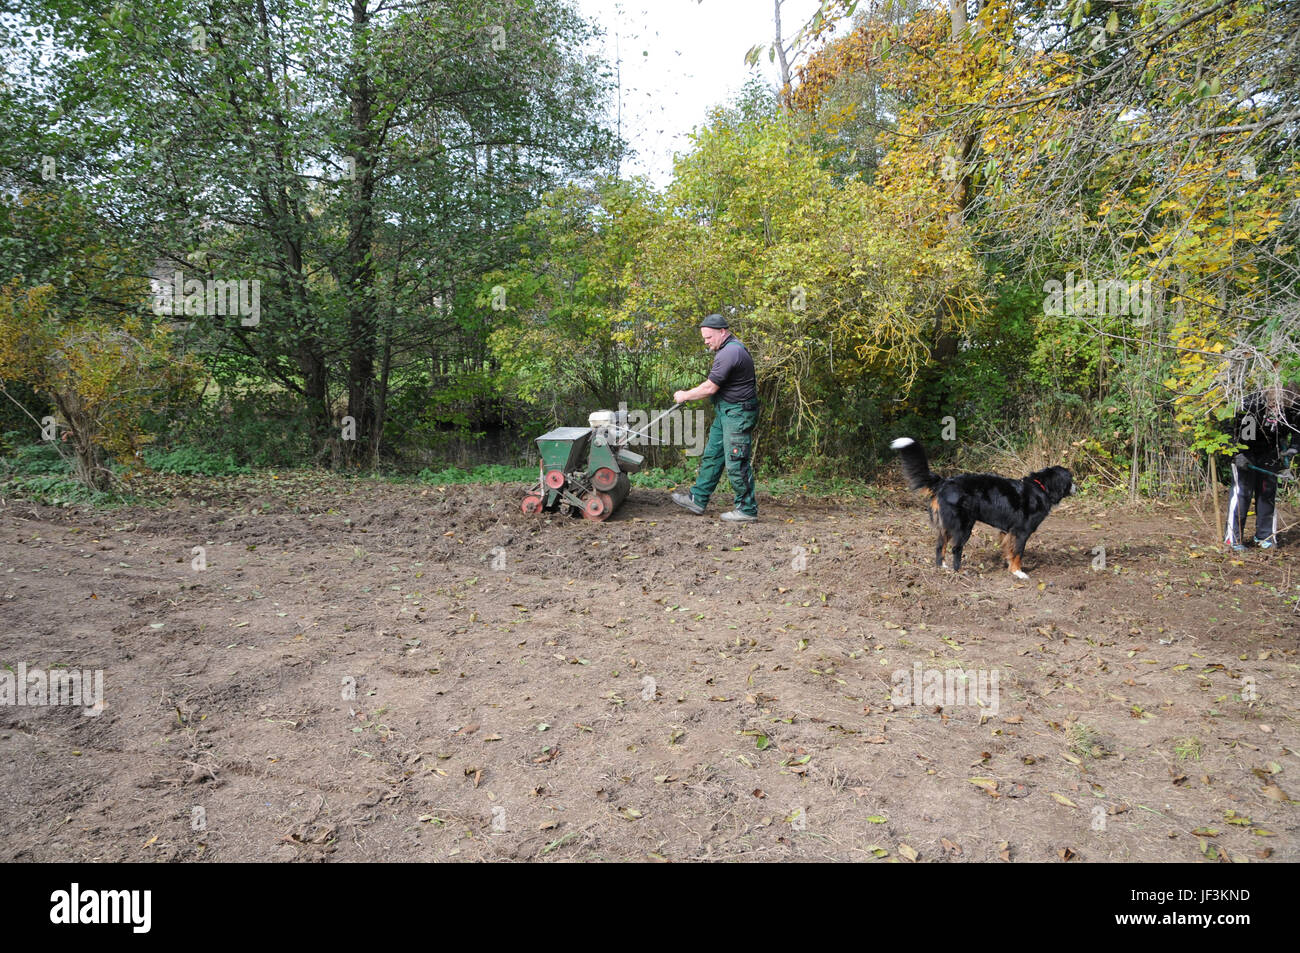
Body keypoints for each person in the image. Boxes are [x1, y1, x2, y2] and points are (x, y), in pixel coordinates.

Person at [670, 313, 760, 521]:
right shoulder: (727, 350)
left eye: (709, 337)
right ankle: (697, 499)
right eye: (704, 338)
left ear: (722, 331)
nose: (706, 342)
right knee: (712, 455)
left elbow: (710, 387)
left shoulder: (731, 353)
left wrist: (685, 395)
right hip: (726, 412)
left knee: (736, 460)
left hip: (738, 414)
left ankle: (747, 509)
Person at [1225, 384, 1299, 551]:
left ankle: (1265, 536)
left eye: (1283, 406)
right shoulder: (1251, 405)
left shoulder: (1291, 408)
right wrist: (1237, 454)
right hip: (1245, 451)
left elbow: (1296, 430)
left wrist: (1294, 448)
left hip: (1269, 452)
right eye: (1276, 404)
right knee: (1241, 494)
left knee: (1267, 493)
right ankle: (1233, 538)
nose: (1278, 409)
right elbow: (1234, 431)